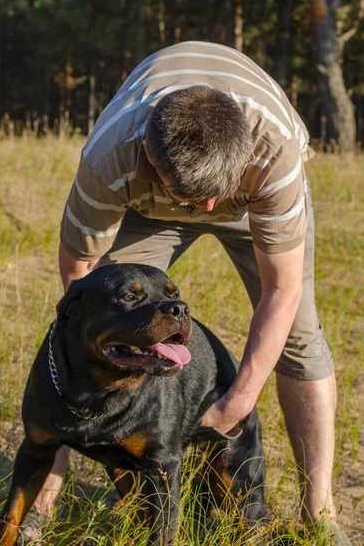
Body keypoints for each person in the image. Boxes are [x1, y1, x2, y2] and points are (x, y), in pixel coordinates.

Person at [29, 41, 350, 545]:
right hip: (147, 202)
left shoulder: (272, 152)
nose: (205, 207)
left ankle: (321, 513)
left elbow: (281, 289)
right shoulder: (111, 156)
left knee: (301, 337)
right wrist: (116, 350)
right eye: (193, 199)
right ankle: (42, 505)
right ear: (149, 156)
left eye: (212, 197)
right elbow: (80, 274)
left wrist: (235, 404)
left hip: (252, 193)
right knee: (92, 333)